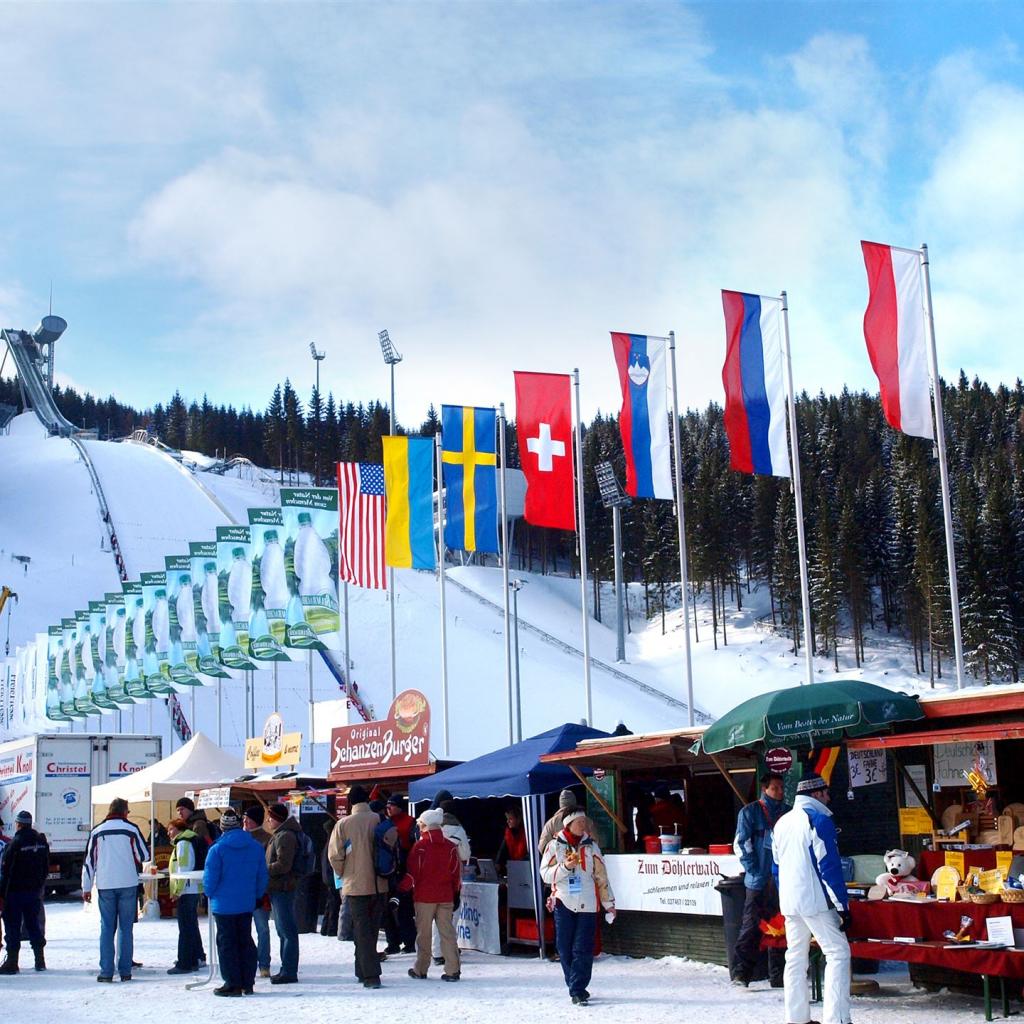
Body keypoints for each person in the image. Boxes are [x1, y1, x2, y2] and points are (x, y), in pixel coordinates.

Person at [772, 774, 851, 1024]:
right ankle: (837, 1019)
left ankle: (796, 1018)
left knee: (795, 957)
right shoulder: (819, 820)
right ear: (816, 794)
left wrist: (785, 896)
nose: (829, 798)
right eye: (826, 793)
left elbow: (776, 867)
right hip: (816, 901)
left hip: (790, 901)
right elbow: (829, 866)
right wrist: (842, 906)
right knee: (838, 953)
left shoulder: (781, 822)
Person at [540, 809, 616, 1006]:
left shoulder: (592, 846)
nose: (584, 825)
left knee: (583, 948)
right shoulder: (554, 846)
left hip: (588, 903)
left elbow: (601, 876)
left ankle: (577, 989)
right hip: (563, 901)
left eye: (585, 821)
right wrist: (565, 867)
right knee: (564, 948)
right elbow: (545, 875)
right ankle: (575, 983)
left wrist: (608, 903)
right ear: (569, 824)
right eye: (579, 821)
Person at [328, 784, 396, 989]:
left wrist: (345, 873)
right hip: (380, 883)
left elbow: (334, 856)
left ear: (350, 802)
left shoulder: (343, 824)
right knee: (371, 930)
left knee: (362, 930)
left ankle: (370, 975)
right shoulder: (380, 819)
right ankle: (362, 969)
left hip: (355, 885)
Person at [82, 797, 150, 983]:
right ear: (124, 812)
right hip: (128, 882)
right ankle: (125, 970)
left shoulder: (97, 831)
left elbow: (89, 862)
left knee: (106, 928)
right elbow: (144, 855)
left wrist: (86, 887)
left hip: (105, 884)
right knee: (126, 928)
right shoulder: (131, 829)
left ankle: (106, 971)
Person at [732, 772, 790, 988]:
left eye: (782, 788)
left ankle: (779, 975)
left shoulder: (789, 812)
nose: (780, 792)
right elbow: (741, 844)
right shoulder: (750, 812)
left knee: (780, 927)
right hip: (758, 881)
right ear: (764, 789)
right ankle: (741, 974)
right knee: (750, 927)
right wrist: (754, 870)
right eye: (775, 788)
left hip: (783, 881)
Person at [203, 809, 269, 997]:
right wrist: (256, 895)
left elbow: (210, 879)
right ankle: (247, 982)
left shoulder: (217, 849)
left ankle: (232, 983)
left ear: (222, 827)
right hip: (246, 902)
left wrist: (210, 894)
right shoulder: (255, 846)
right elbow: (262, 875)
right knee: (245, 941)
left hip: (223, 904)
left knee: (227, 943)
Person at [406, 808, 461, 982]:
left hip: (424, 897)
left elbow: (413, 873)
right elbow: (456, 873)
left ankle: (421, 969)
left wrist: (401, 889)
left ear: (425, 825)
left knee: (424, 935)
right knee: (447, 934)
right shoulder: (450, 846)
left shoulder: (420, 846)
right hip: (446, 896)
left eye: (420, 823)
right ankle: (453, 969)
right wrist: (455, 892)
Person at [0, 810, 50, 974]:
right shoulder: (41, 842)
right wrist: (39, 885)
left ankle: (12, 962)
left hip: (14, 893)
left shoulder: (15, 843)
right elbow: (45, 867)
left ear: (19, 824)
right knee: (33, 925)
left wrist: (3, 894)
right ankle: (40, 960)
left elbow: (6, 870)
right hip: (34, 892)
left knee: (13, 927)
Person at [264, 802, 302, 984]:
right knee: (283, 931)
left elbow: (284, 864)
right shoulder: (281, 834)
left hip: (283, 888)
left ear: (277, 818)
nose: (267, 820)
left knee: (287, 931)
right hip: (279, 887)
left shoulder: (285, 836)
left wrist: (263, 869)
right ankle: (286, 969)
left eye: (270, 817)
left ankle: (289, 970)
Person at [166, 817, 206, 974]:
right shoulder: (189, 840)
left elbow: (184, 868)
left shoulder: (183, 843)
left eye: (171, 829)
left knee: (185, 926)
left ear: (179, 829)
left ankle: (185, 962)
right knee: (191, 924)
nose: (169, 833)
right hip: (192, 887)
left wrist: (178, 890)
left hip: (187, 889)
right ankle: (197, 956)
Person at [383, 794, 417, 954]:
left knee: (404, 909)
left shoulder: (411, 823)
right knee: (387, 909)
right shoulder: (385, 822)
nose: (388, 808)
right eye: (387, 805)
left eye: (392, 805)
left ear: (400, 807)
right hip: (387, 870)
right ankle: (393, 942)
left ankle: (409, 941)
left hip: (404, 870)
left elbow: (414, 847)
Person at [242, 805, 273, 978]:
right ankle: (249, 962)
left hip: (260, 891)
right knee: (245, 930)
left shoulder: (266, 839)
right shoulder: (240, 838)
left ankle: (264, 964)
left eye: (248, 818)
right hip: (244, 891)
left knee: (262, 929)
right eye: (244, 818)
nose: (245, 821)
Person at [538, 789, 595, 854]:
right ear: (574, 802)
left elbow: (542, 847)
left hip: (560, 858)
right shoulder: (586, 820)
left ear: (560, 803)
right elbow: (596, 840)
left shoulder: (551, 823)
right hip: (583, 857)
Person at [320, 818, 341, 938]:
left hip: (327, 877)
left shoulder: (327, 842)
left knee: (330, 902)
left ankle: (325, 927)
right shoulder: (333, 843)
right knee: (334, 903)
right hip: (333, 877)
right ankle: (331, 928)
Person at [495, 806, 528, 871]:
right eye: (507, 819)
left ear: (518, 819)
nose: (507, 821)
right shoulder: (508, 833)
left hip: (525, 866)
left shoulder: (527, 832)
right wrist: (497, 863)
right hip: (514, 867)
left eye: (510, 819)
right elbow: (502, 850)